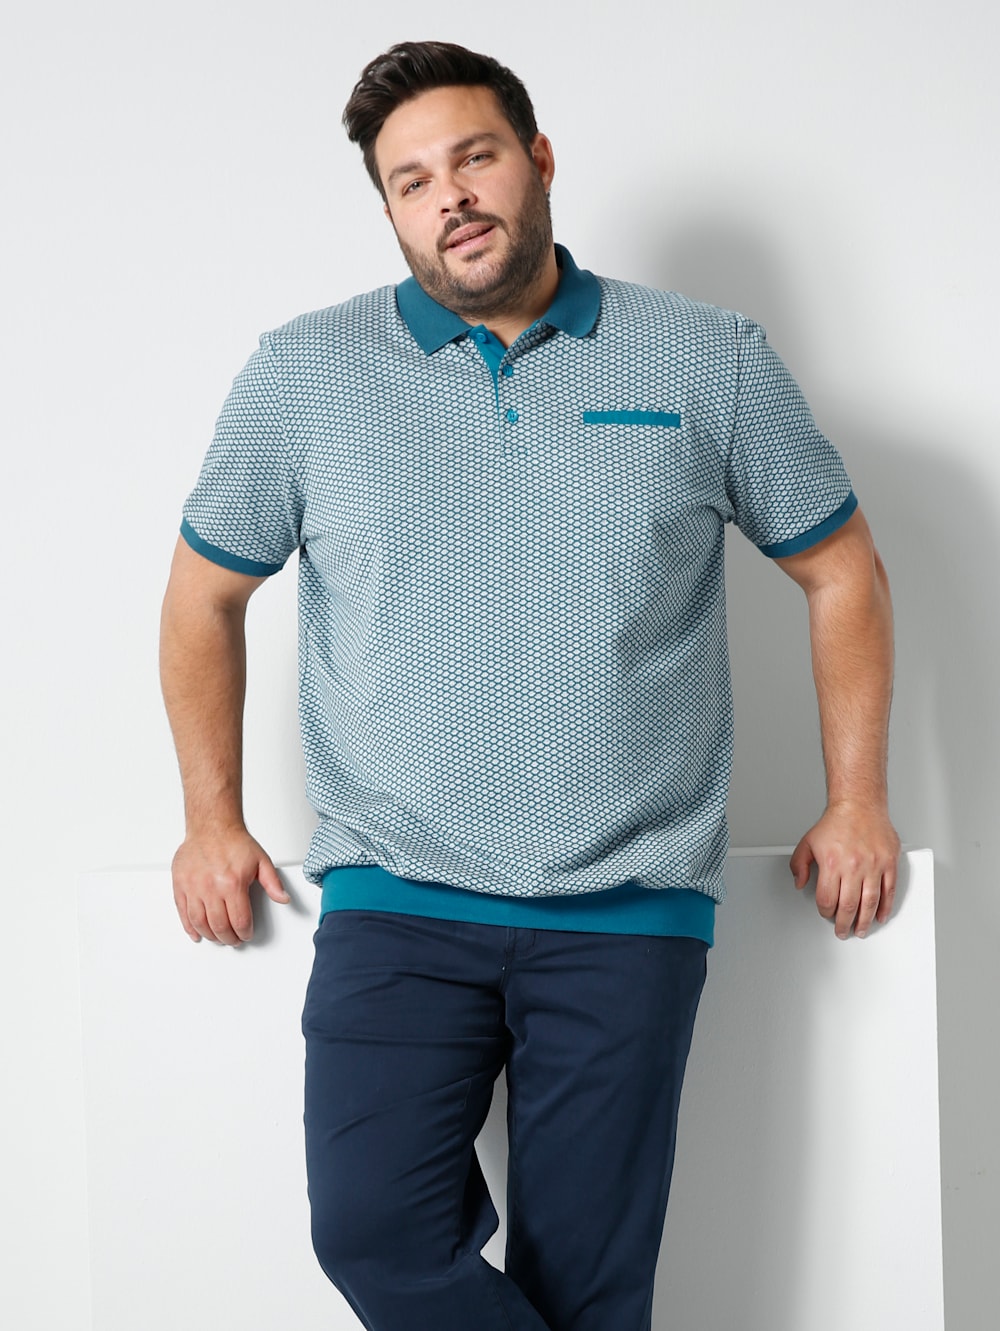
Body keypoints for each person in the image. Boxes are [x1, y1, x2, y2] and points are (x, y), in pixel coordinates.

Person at [160, 39, 899, 1331]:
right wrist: (209, 819)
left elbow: (841, 570)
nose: (449, 195)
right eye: (411, 181)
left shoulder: (707, 358)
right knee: (373, 1231)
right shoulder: (304, 374)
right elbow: (201, 598)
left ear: (538, 159)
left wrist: (859, 800)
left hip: (628, 908)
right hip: (397, 899)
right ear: (388, 210)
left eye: (475, 157)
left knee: (589, 1288)